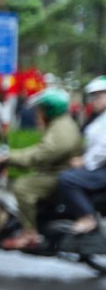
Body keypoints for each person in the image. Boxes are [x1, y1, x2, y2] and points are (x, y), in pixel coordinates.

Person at [0, 88, 83, 250]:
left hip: (60, 175)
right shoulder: (59, 124)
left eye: (41, 109)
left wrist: (11, 157)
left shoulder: (61, 128)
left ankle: (29, 234)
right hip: (56, 171)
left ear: (50, 110)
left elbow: (43, 154)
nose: (37, 113)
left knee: (23, 187)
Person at [56, 76, 106, 235]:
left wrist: (84, 161)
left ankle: (87, 217)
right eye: (93, 97)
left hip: (102, 170)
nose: (95, 100)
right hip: (98, 167)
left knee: (67, 179)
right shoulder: (99, 117)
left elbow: (103, 148)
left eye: (99, 96)